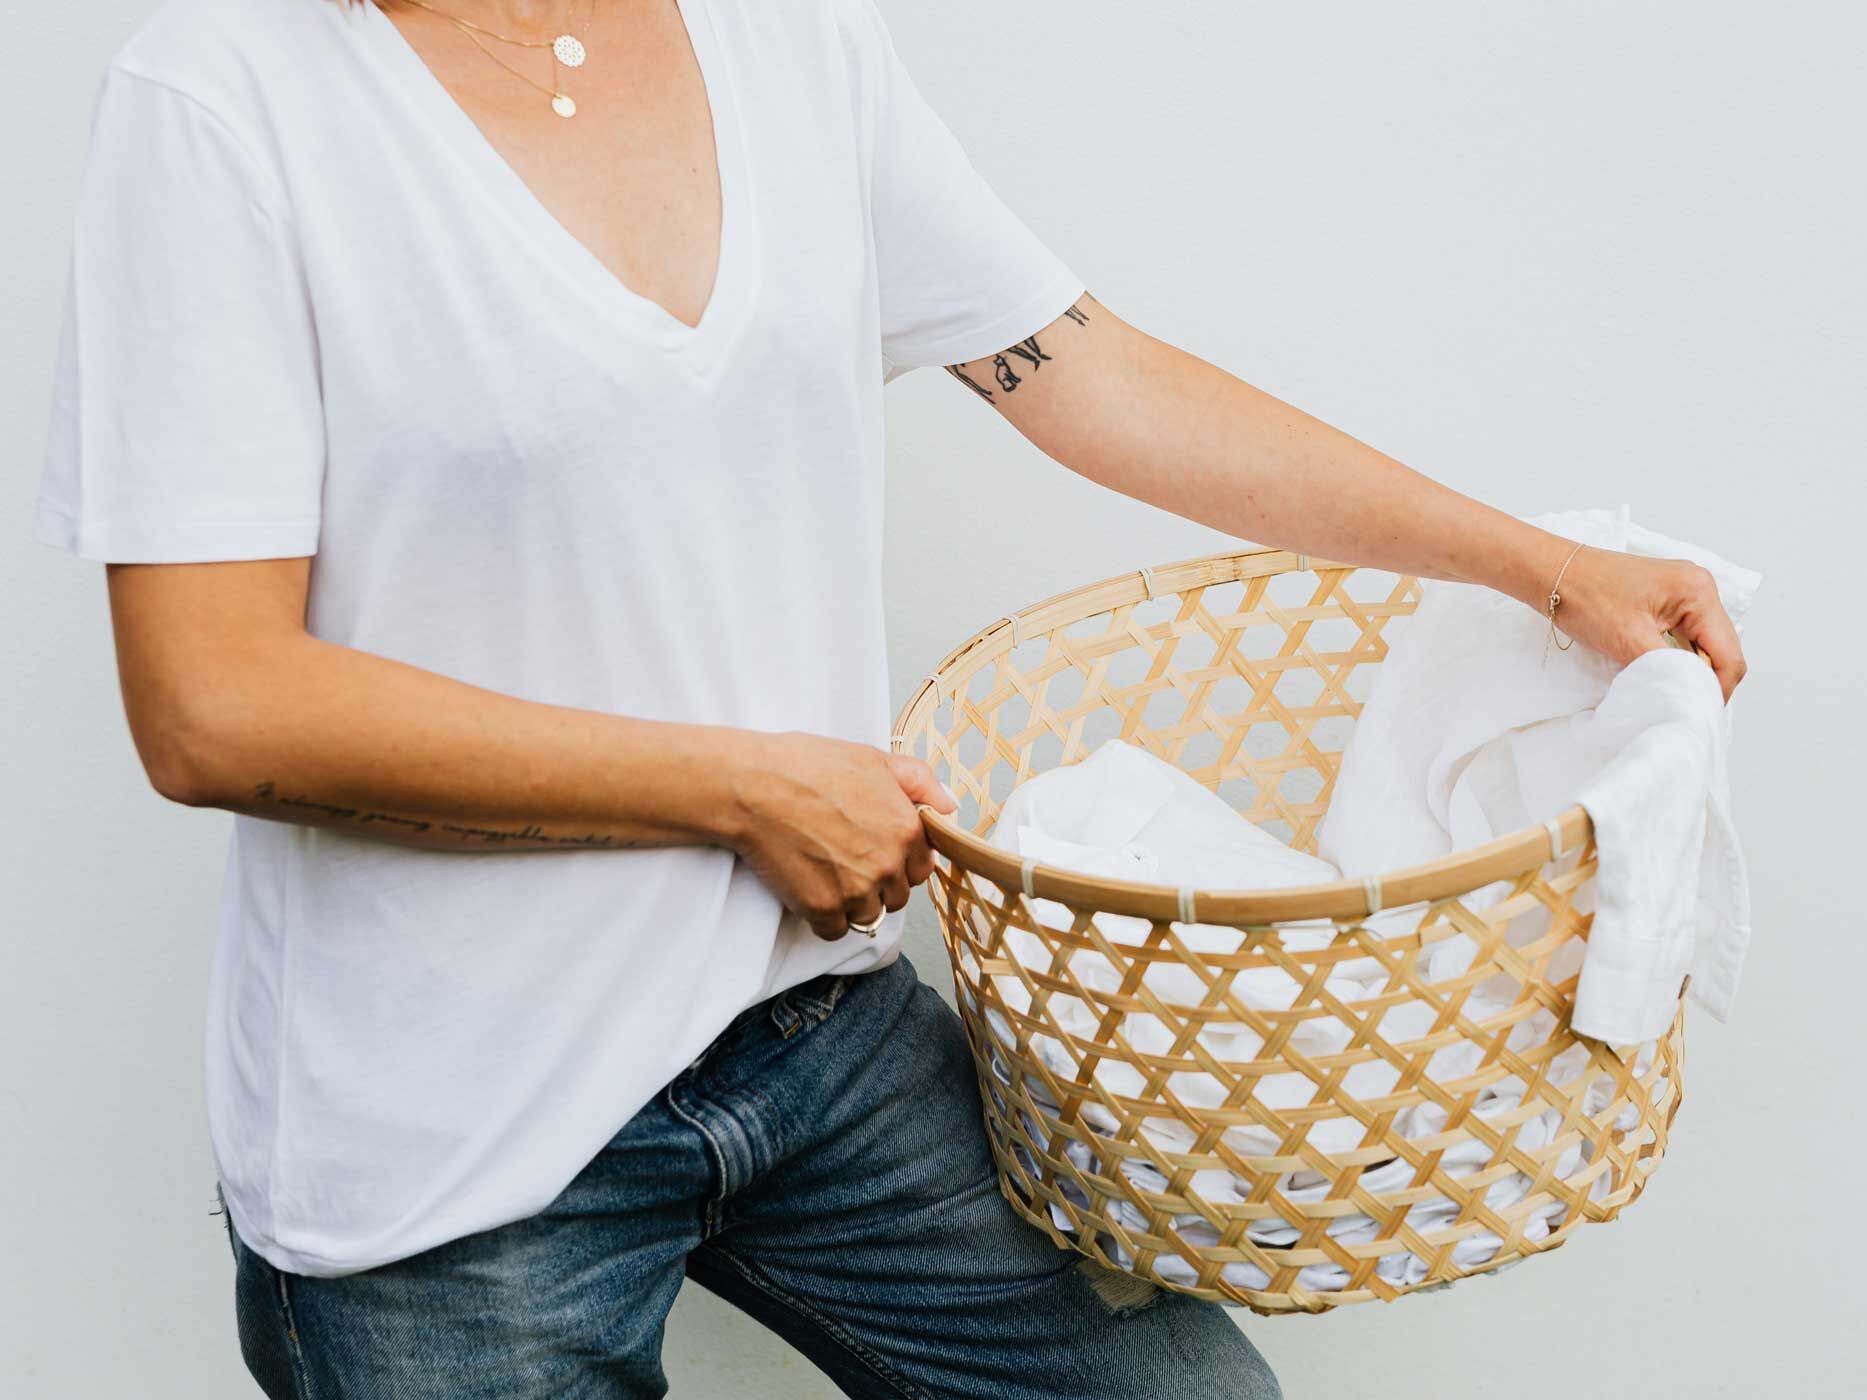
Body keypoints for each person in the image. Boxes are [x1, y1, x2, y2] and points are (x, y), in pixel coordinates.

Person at [35, 0, 1746, 1395]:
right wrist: (738, 789)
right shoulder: (223, 102)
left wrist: (1538, 566)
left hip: (803, 1026)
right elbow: (214, 706)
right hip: (450, 1127)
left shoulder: (790, 46)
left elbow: (1093, 375)